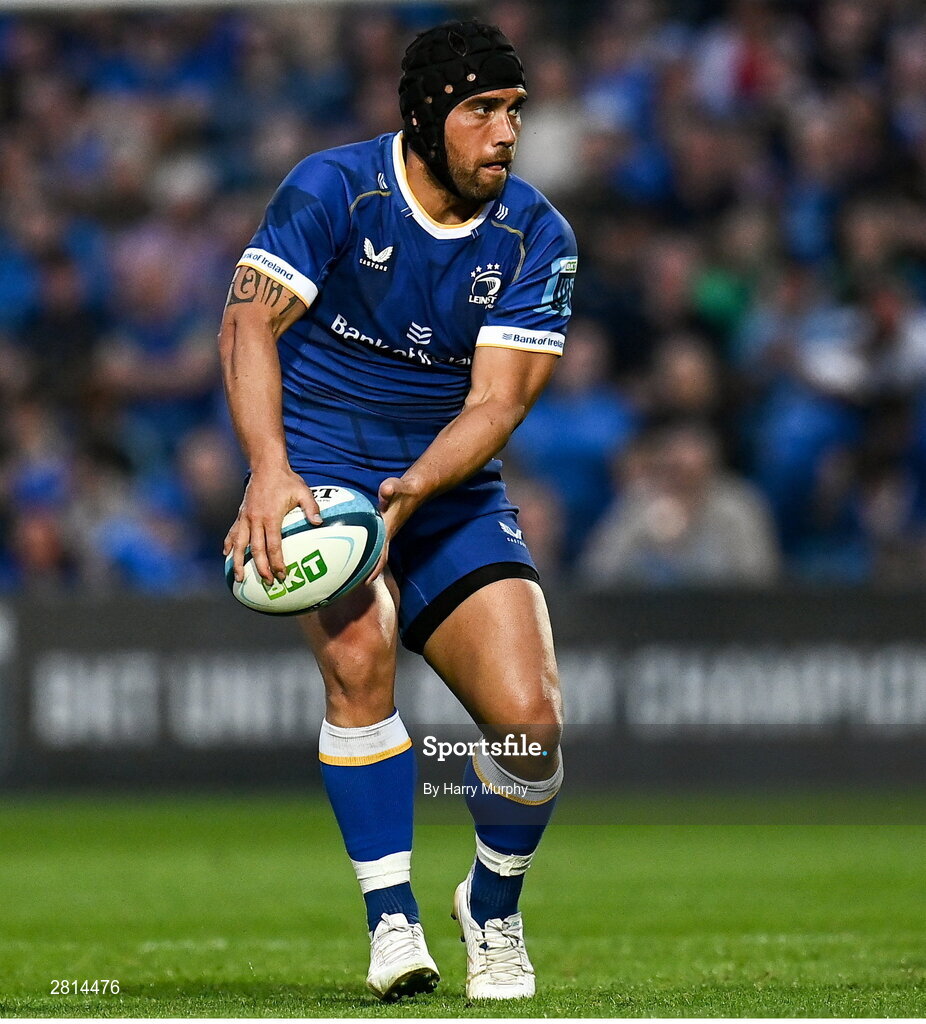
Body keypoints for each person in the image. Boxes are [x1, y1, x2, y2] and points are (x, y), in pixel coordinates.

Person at [219, 21, 577, 1002]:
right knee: (357, 653)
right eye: (480, 112)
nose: (504, 134)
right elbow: (249, 319)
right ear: (425, 119)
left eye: (514, 112)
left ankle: (489, 907)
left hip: (447, 487)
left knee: (529, 727)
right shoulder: (333, 189)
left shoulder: (537, 236)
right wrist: (267, 470)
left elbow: (496, 404)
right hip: (322, 478)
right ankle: (390, 920)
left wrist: (416, 487)